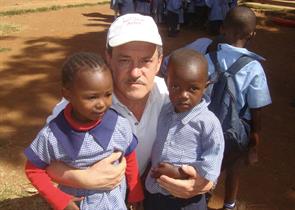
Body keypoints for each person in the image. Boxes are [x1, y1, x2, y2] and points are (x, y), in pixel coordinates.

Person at [45, 13, 214, 205]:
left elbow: (210, 140)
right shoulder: (80, 106)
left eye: (146, 61)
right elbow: (45, 162)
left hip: (146, 189)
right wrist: (83, 178)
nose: (135, 72)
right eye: (124, 60)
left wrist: (206, 182)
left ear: (159, 62)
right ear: (108, 58)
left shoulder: (173, 97)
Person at [24, 52, 144, 210]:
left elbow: (129, 156)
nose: (102, 103)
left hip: (115, 203)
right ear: (67, 94)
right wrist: (60, 200)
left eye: (108, 94)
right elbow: (33, 169)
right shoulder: (53, 135)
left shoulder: (119, 125)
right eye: (91, 97)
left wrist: (135, 193)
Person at [205, 6, 272, 210]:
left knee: (208, 165)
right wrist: (254, 141)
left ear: (222, 29)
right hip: (237, 131)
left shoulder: (209, 58)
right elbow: (256, 108)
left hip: (207, 127)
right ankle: (229, 204)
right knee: (234, 166)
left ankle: (202, 199)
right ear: (252, 33)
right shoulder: (254, 67)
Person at [144, 48, 224, 210]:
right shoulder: (164, 111)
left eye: (193, 88)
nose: (183, 95)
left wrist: (178, 172)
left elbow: (211, 164)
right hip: (155, 194)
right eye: (175, 87)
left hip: (187, 202)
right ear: (167, 82)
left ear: (205, 86)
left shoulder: (208, 123)